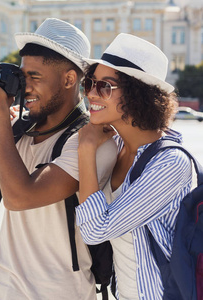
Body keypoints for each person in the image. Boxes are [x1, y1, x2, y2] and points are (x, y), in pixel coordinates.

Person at [0, 18, 117, 300]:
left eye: (35, 76)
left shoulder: (91, 140)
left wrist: (0, 118)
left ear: (69, 79)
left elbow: (20, 198)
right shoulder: (19, 130)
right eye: (22, 76)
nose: (24, 87)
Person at [75, 33, 193, 299]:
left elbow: (95, 230)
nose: (92, 93)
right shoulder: (116, 147)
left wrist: (86, 147)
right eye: (90, 83)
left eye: (105, 86)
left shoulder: (171, 163)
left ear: (138, 94)